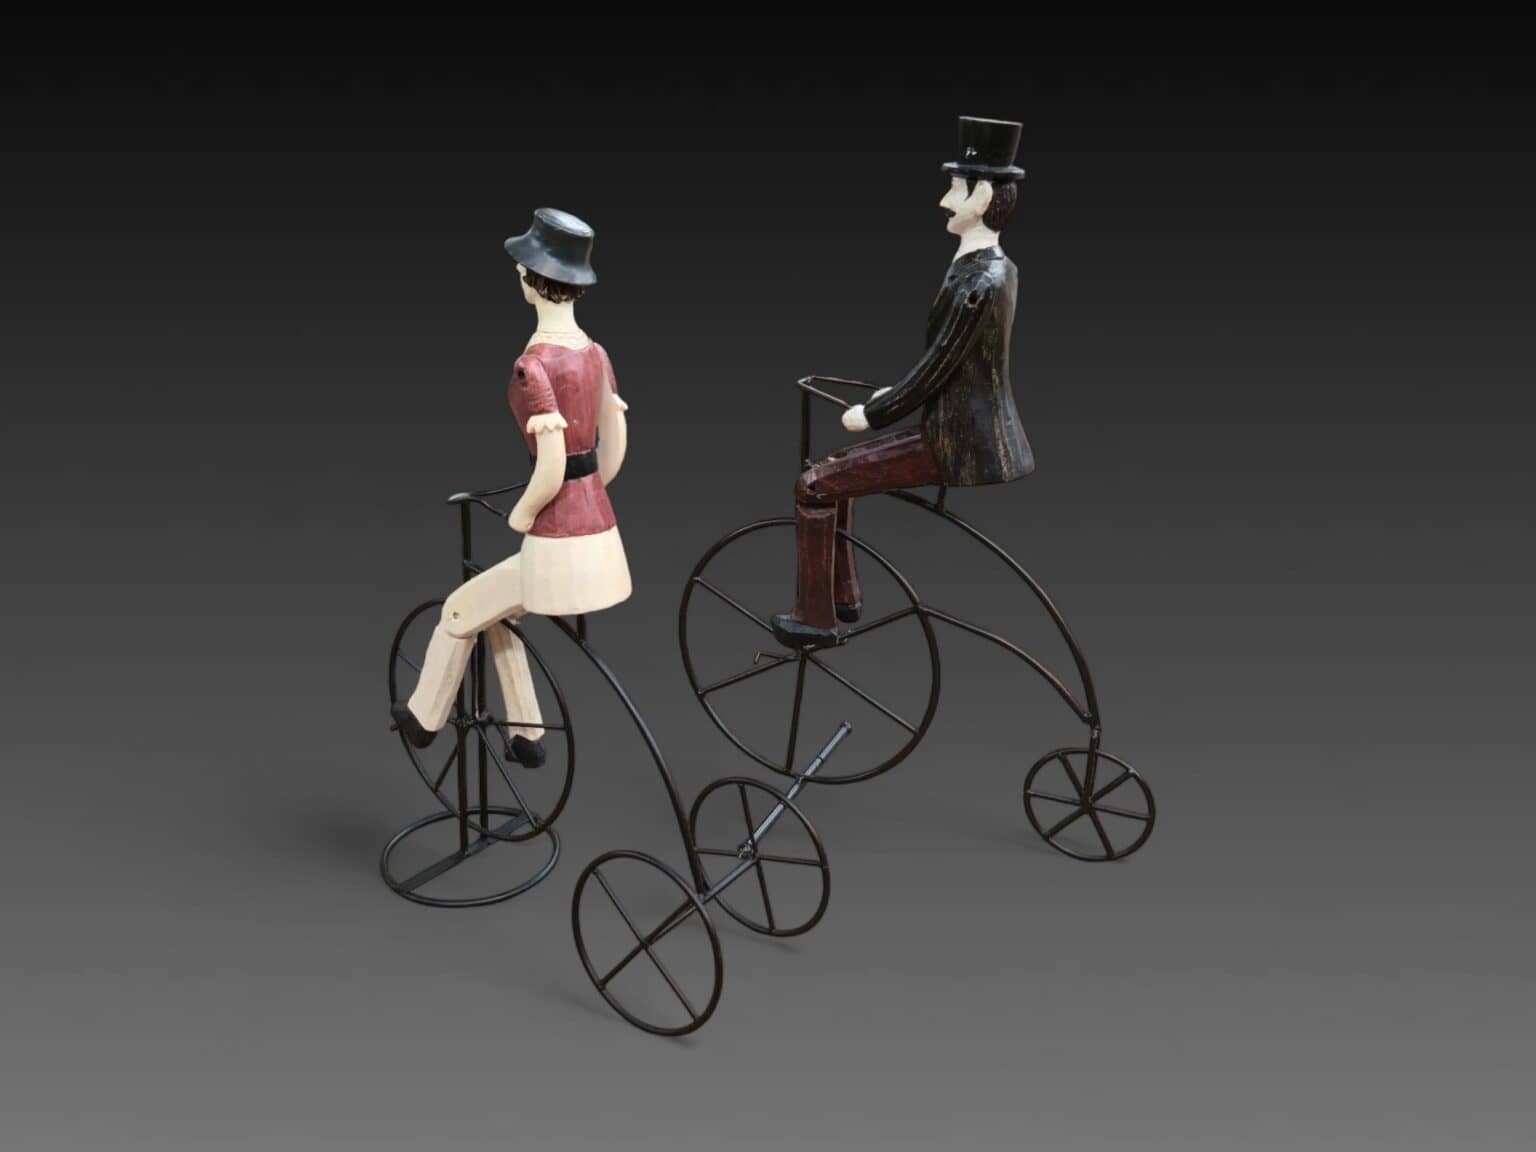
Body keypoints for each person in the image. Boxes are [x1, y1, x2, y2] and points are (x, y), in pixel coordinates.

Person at [771, 116, 1035, 652]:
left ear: (983, 196)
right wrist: (887, 398)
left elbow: (938, 366)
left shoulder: (980, 281)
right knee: (833, 473)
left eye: (956, 189)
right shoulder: (994, 268)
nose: (944, 201)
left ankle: (815, 617)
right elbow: (950, 365)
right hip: (966, 430)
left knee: (812, 484)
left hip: (960, 442)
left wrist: (876, 412)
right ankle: (840, 595)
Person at [391, 208, 632, 764]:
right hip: (603, 538)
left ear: (531, 278)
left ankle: (424, 718)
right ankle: (527, 733)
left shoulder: (535, 366)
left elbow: (551, 465)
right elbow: (615, 445)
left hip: (556, 546)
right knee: (497, 608)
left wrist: (525, 513)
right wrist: (589, 491)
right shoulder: (596, 354)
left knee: (458, 611)